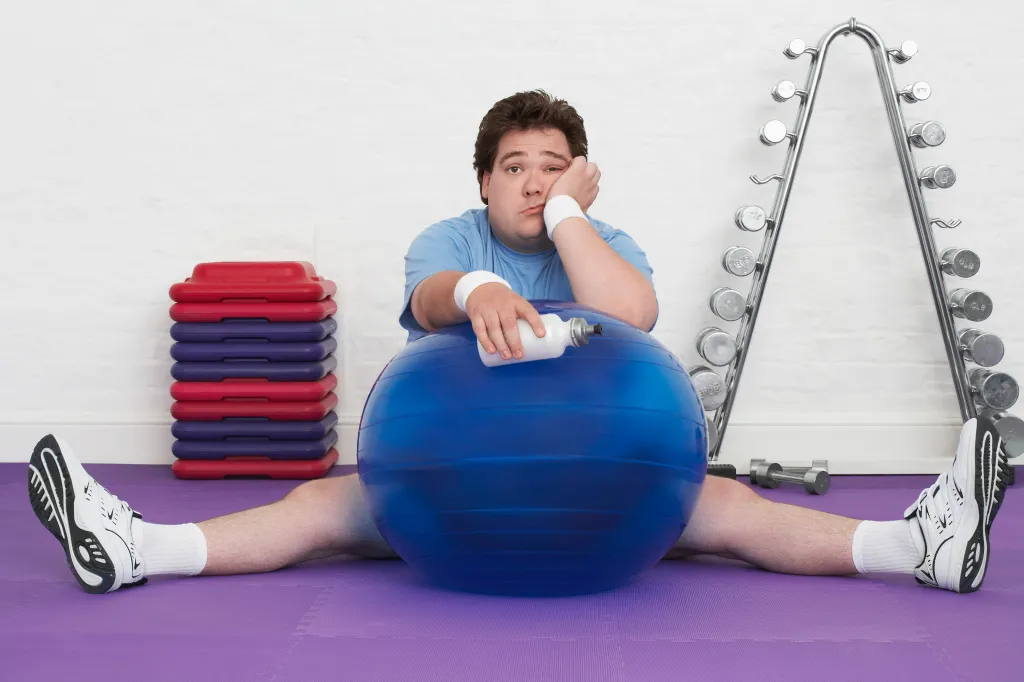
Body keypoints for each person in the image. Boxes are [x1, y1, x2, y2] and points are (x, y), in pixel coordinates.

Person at [27, 90, 1011, 596]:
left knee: (731, 507)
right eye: (514, 168)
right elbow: (430, 294)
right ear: (484, 182)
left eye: (554, 170)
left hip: (615, 492)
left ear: (579, 183)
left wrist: (575, 222)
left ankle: (912, 547)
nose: (533, 185)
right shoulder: (449, 241)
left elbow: (631, 319)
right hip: (446, 494)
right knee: (320, 503)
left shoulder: (600, 241)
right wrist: (482, 284)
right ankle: (137, 547)